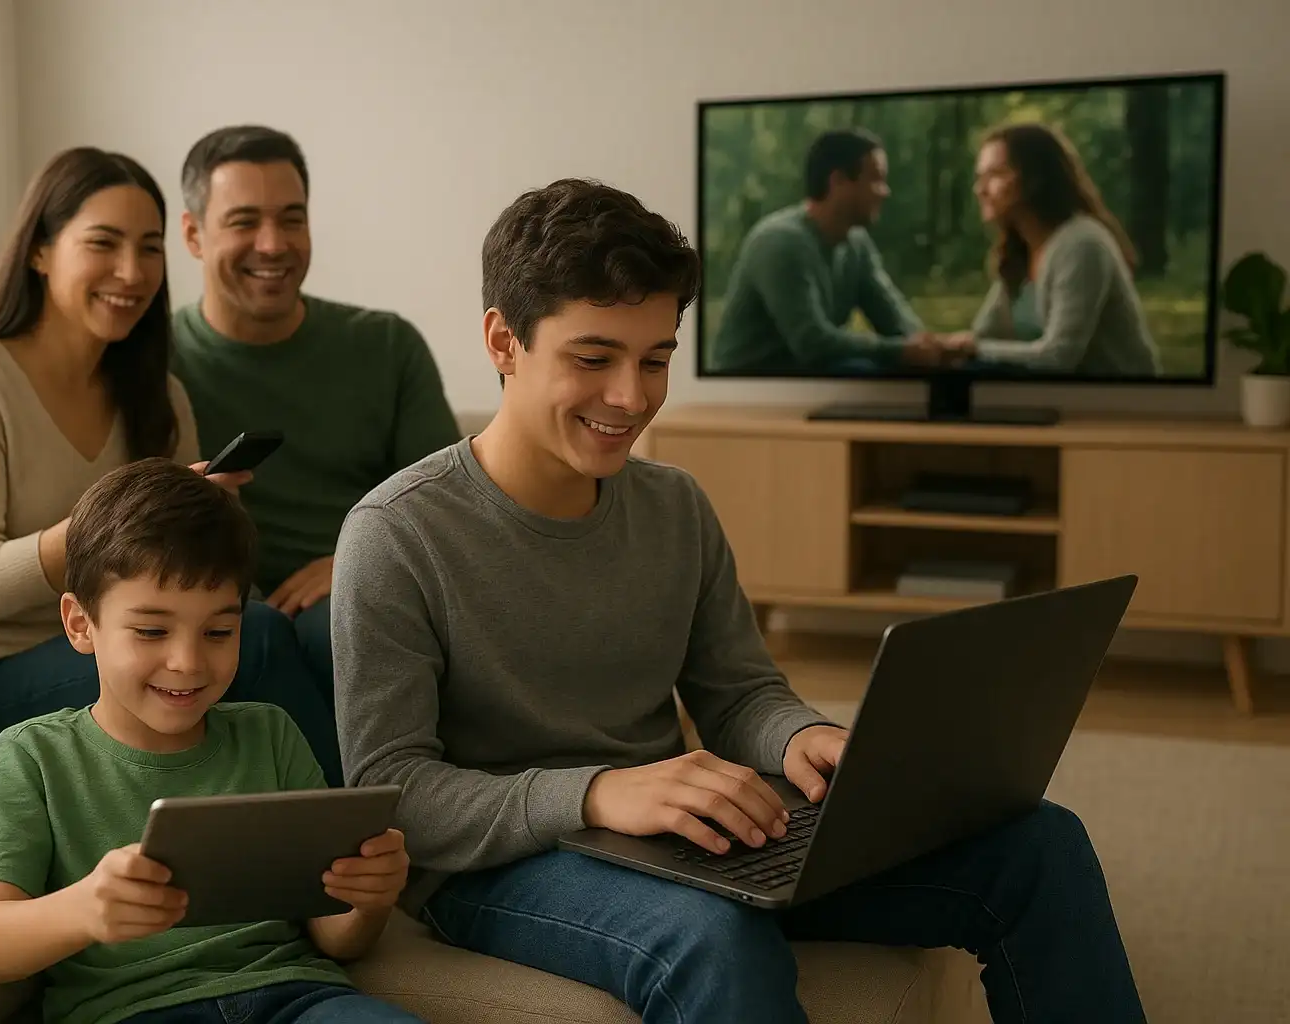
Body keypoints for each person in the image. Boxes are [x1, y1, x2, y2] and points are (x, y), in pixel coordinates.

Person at [331, 178, 1148, 1023]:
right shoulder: (396, 533)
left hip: (681, 833)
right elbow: (394, 787)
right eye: (594, 358)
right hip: (496, 866)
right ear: (504, 340)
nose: (631, 397)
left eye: (655, 360)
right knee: (716, 937)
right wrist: (598, 792)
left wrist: (804, 738)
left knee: (1039, 844)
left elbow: (740, 693)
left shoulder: (675, 504)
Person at [0, 146, 342, 783]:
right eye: (103, 244)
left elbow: (180, 573)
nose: (131, 272)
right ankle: (360, 839)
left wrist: (203, 518)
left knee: (298, 632)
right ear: (40, 250)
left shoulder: (156, 394)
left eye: (149, 248)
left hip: (130, 639)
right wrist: (114, 526)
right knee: (263, 639)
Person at [0, 458, 420, 1024]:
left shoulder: (271, 734)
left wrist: (368, 900)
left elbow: (337, 938)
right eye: (151, 630)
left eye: (219, 631)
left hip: (297, 997)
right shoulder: (34, 755)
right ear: (80, 624)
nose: (188, 662)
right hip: (131, 1011)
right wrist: (83, 909)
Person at [170, 125, 461, 694]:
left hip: (363, 599)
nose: (274, 243)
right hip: (223, 613)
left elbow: (448, 510)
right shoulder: (148, 362)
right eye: (244, 221)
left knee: (341, 627)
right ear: (193, 235)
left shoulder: (386, 346)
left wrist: (352, 564)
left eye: (292, 218)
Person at [708, 128, 946, 374]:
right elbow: (812, 342)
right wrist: (901, 351)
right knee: (863, 370)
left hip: (807, 383)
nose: (885, 192)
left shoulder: (857, 245)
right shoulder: (781, 241)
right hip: (745, 390)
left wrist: (937, 347)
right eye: (876, 179)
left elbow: (893, 317)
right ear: (838, 181)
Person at [938, 121, 1162, 376]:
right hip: (1056, 399)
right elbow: (982, 335)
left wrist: (975, 349)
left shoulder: (1082, 243)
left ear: (1035, 179)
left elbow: (1059, 356)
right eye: (980, 177)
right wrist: (936, 349)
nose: (980, 189)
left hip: (1119, 406)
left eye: (995, 175)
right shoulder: (1021, 250)